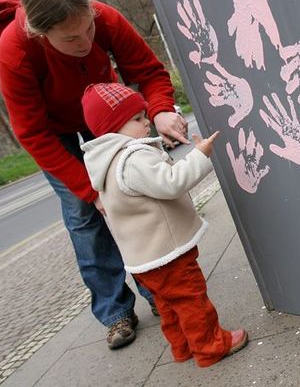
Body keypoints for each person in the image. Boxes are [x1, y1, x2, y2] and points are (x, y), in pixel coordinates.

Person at [0, 0, 190, 349]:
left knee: (133, 195)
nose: (84, 43)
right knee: (85, 215)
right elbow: (32, 132)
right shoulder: (14, 52)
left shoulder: (106, 18)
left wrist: (162, 108)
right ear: (38, 32)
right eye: (70, 39)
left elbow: (148, 72)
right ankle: (115, 311)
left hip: (105, 112)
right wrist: (89, 189)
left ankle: (159, 291)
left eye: (88, 29)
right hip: (56, 130)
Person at [80, 82, 249, 367]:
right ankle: (210, 347)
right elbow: (171, 183)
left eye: (143, 115)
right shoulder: (132, 158)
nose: (146, 122)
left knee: (168, 306)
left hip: (143, 259)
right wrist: (200, 155)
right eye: (136, 119)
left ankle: (182, 347)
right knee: (191, 299)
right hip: (167, 252)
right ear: (112, 127)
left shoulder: (104, 162)